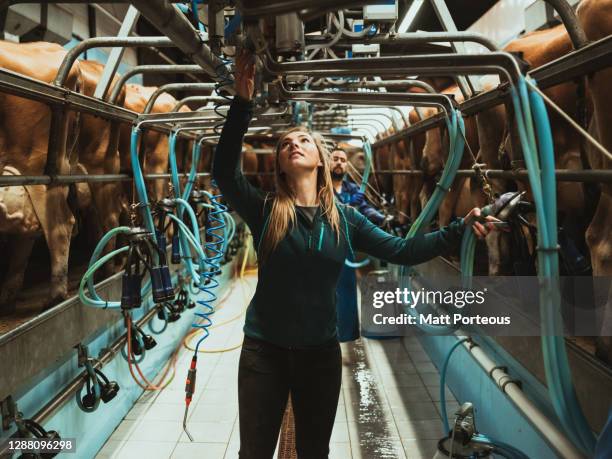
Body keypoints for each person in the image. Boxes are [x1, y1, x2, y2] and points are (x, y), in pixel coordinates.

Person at [212, 51, 499, 459]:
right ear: (278, 164)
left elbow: (402, 250)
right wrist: (242, 104)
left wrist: (460, 228)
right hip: (264, 353)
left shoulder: (345, 218)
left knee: (314, 452)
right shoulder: (266, 212)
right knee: (254, 453)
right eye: (286, 144)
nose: (294, 144)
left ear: (323, 159)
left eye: (304, 140)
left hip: (320, 356)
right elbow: (224, 172)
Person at [330, 147, 385, 225]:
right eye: (335, 159)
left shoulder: (352, 188)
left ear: (347, 166)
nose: (339, 163)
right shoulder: (322, 188)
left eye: (343, 160)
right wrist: (349, 204)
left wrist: (378, 216)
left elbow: (364, 208)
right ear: (327, 163)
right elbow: (327, 214)